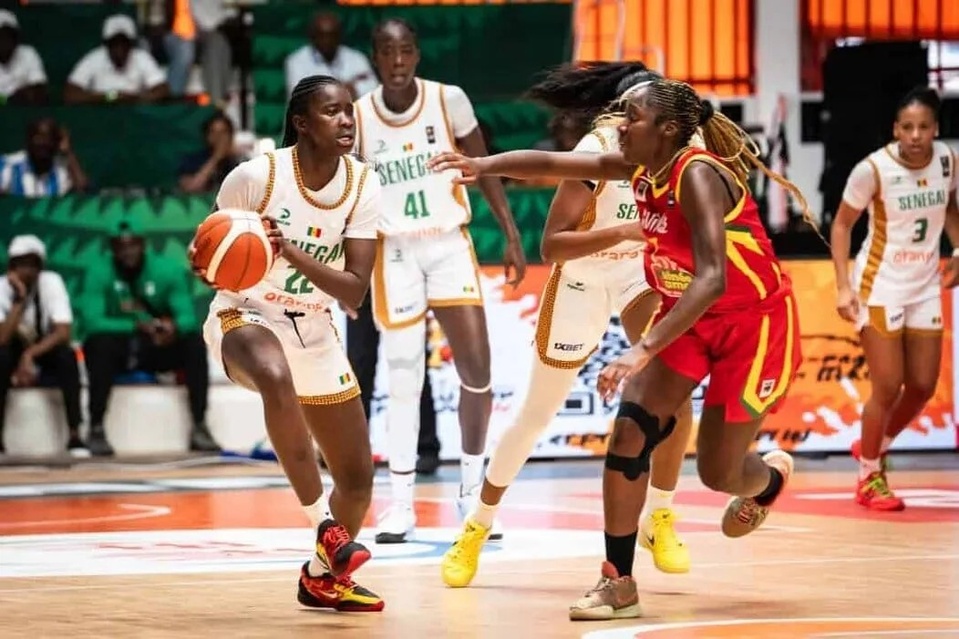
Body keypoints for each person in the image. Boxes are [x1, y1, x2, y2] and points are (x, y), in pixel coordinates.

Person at [429, 74, 811, 620]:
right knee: (630, 428)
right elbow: (556, 165)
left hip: (753, 327)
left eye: (630, 116)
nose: (618, 125)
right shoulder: (637, 166)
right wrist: (485, 166)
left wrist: (642, 349)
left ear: (668, 129)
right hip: (694, 320)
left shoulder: (698, 175)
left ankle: (768, 480)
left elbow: (712, 278)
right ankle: (618, 581)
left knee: (720, 472)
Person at [441, 63, 695, 589]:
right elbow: (551, 246)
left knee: (675, 381)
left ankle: (661, 515)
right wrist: (625, 229)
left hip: (636, 273)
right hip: (581, 272)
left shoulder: (675, 151)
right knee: (536, 415)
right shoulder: (598, 152)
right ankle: (477, 524)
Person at [193, 74, 384, 612]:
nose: (346, 120)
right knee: (276, 379)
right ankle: (323, 525)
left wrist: (292, 252)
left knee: (358, 478)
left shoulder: (363, 184)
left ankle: (322, 579)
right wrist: (204, 262)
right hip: (245, 314)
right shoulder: (254, 177)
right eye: (332, 112)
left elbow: (354, 292)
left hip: (315, 325)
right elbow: (211, 252)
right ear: (302, 123)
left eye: (350, 111)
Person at [353, 18, 526, 544]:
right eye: (388, 51)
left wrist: (510, 233)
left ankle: (472, 492)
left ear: (417, 55)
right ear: (376, 58)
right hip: (395, 251)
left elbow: (486, 166)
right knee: (403, 374)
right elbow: (350, 195)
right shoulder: (359, 116)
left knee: (478, 370)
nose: (399, 60)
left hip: (449, 241)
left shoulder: (448, 100)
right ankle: (400, 504)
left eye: (406, 50)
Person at [830, 86, 959, 511]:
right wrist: (843, 285)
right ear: (895, 129)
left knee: (922, 386)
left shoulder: (947, 160)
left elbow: (951, 208)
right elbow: (842, 226)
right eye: (908, 127)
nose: (916, 135)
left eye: (924, 127)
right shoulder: (873, 169)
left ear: (936, 129)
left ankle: (871, 444)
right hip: (880, 284)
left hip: (923, 283)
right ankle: (869, 475)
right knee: (887, 386)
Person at [80, 218, 220, 457]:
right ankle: (96, 427)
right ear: (112, 248)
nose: (127, 251)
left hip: (156, 346)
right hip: (121, 347)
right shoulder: (98, 272)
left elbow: (187, 317)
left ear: (143, 244)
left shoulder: (167, 270)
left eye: (133, 244)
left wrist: (171, 328)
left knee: (193, 343)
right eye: (120, 246)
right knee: (98, 344)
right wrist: (136, 325)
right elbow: (92, 322)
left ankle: (199, 425)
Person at [0, 235, 85, 456]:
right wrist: (19, 300)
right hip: (12, 349)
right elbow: (2, 338)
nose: (27, 270)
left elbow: (63, 332)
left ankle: (75, 434)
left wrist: (30, 355)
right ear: (12, 266)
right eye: (21, 264)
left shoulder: (51, 282)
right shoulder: (1, 288)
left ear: (40, 266)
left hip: (44, 347)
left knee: (68, 356)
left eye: (32, 264)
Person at [285, 12, 376, 100]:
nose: (327, 41)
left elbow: (373, 91)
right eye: (322, 35)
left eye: (332, 35)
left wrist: (355, 90)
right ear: (312, 36)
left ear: (340, 35)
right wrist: (342, 89)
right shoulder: (296, 61)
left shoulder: (357, 59)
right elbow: (299, 97)